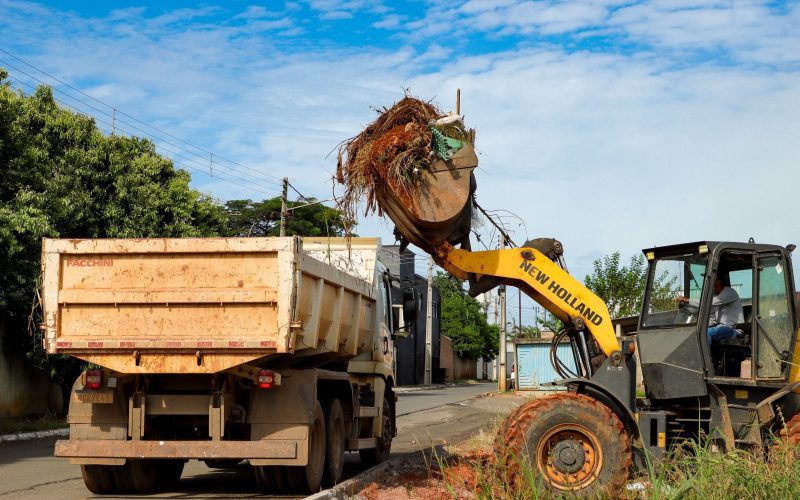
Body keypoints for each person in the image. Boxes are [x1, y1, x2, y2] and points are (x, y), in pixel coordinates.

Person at [677, 277, 744, 346]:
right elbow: (706, 313)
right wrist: (685, 306)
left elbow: (709, 303)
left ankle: (705, 356)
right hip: (720, 326)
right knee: (696, 332)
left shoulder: (729, 292)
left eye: (710, 279)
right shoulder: (715, 296)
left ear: (718, 281)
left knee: (706, 333)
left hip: (734, 329)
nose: (707, 282)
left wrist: (687, 300)